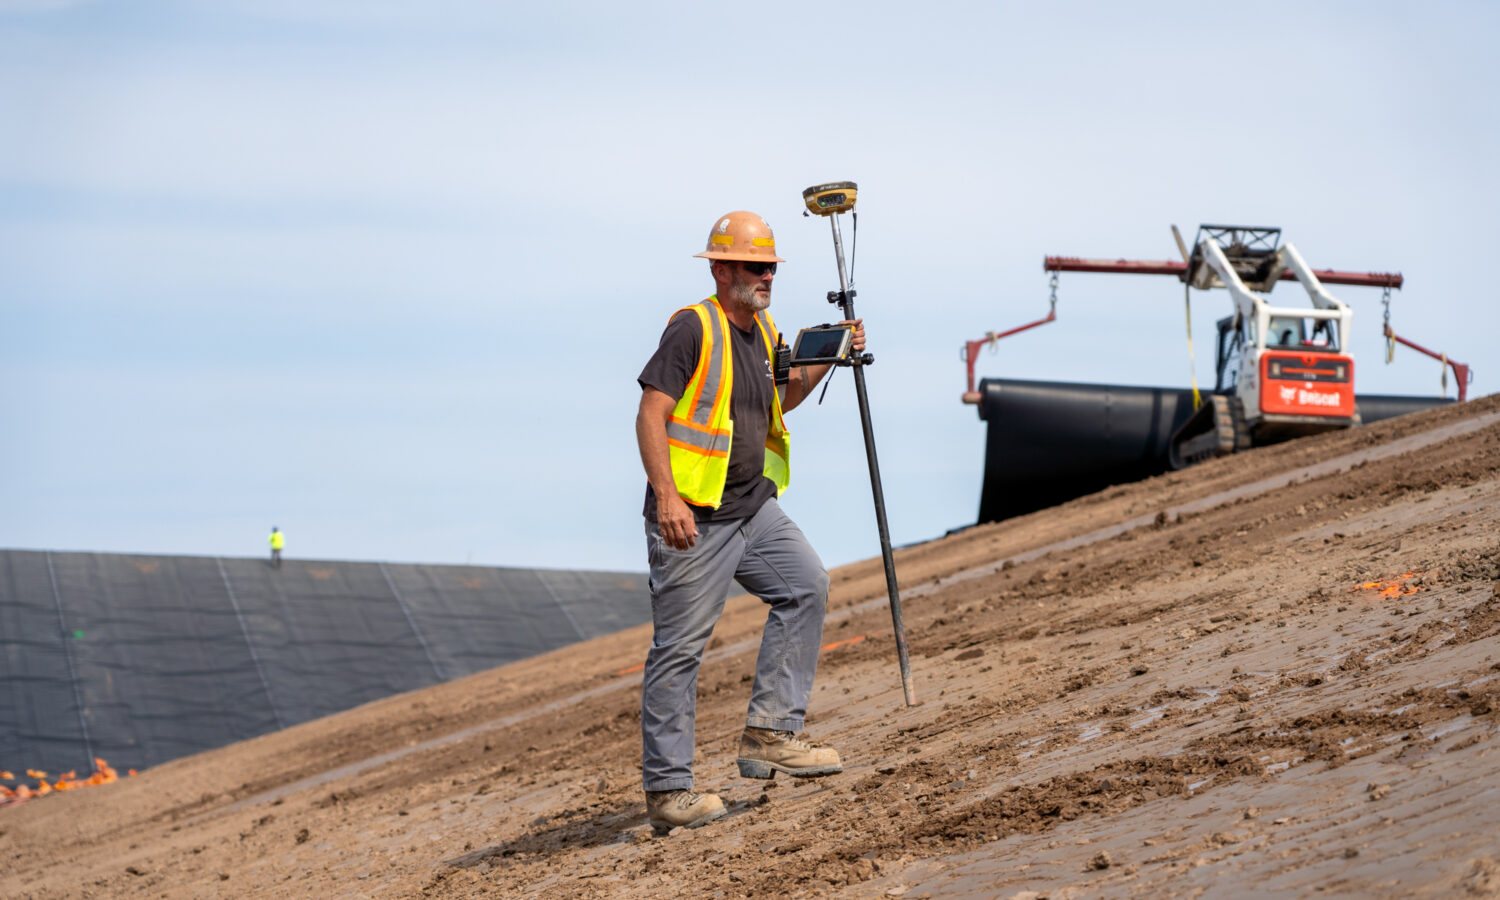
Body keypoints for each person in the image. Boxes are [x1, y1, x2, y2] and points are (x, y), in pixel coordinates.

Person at [634, 210, 864, 834]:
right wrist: (668, 499)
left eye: (771, 267)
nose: (767, 277)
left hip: (751, 507)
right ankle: (669, 792)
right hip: (692, 517)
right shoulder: (693, 328)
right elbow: (650, 415)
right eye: (755, 267)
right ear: (720, 267)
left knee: (805, 584)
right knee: (679, 650)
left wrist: (833, 356)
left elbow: (777, 397)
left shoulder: (764, 331)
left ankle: (770, 732)